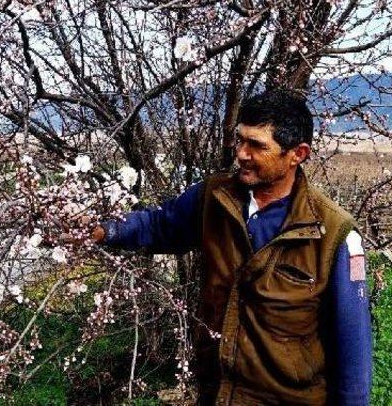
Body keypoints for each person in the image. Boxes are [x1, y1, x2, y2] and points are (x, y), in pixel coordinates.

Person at [93, 90, 372, 405]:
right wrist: (103, 231)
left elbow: (353, 351)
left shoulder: (333, 234)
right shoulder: (215, 197)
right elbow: (159, 225)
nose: (241, 153)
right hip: (217, 395)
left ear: (298, 154)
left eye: (257, 146)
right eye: (240, 140)